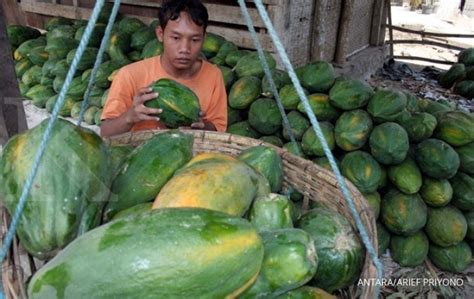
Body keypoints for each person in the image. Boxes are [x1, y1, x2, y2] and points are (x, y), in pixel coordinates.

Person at [100, 0, 227, 137]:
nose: (184, 49)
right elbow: (106, 133)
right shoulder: (129, 75)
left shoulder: (213, 75)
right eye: (176, 38)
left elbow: (218, 129)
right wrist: (130, 117)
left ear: (204, 39)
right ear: (160, 34)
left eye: (195, 40)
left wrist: (202, 127)